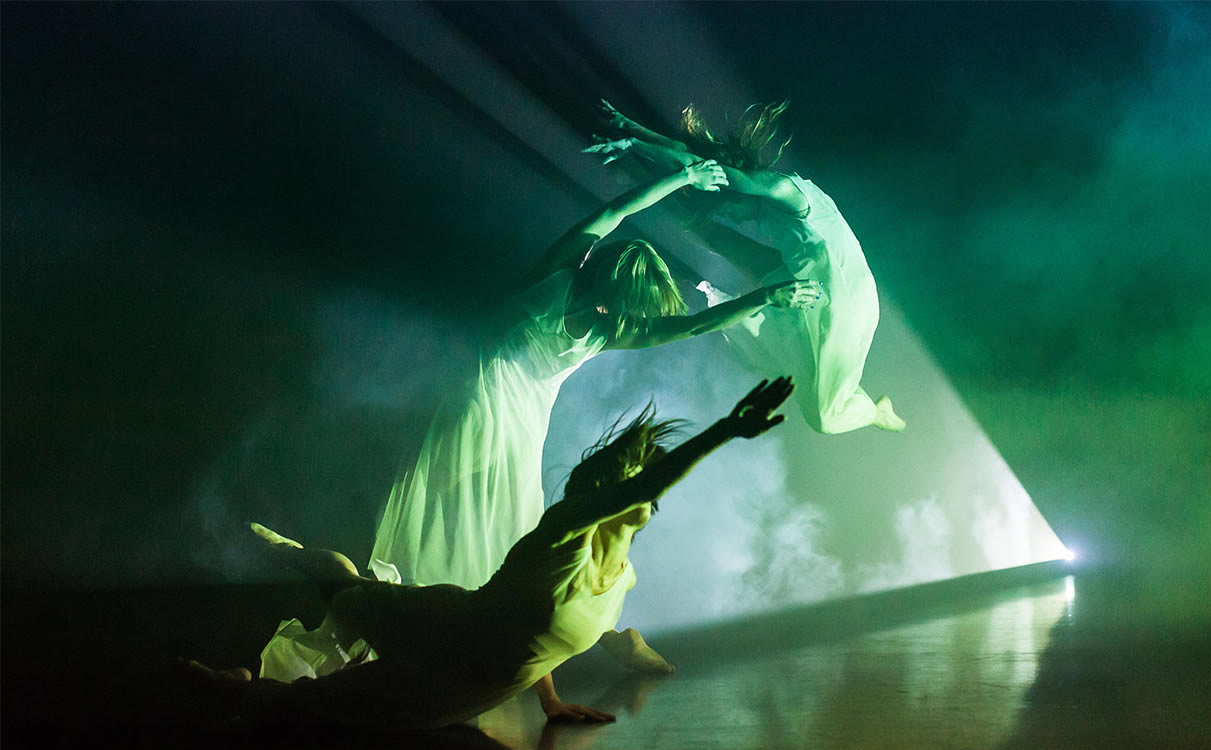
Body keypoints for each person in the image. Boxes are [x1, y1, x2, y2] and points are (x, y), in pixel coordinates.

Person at [260, 164, 820, 682]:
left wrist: (762, 291)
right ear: (612, 291)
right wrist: (683, 179)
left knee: (519, 539)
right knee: (487, 530)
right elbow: (617, 218)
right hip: (477, 409)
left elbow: (683, 317)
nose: (629, 322)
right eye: (628, 308)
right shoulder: (564, 279)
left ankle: (575, 641)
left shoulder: (605, 319)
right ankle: (554, 641)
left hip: (516, 419)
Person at [191, 378, 796, 731]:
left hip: (470, 688)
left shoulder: (620, 578)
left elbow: (534, 639)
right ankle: (290, 563)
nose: (641, 499)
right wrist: (725, 429)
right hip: (442, 633)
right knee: (340, 612)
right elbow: (639, 491)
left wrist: (552, 703)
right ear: (606, 499)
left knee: (332, 705)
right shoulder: (562, 531)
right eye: (627, 489)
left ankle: (251, 676)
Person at [585, 100, 906, 436]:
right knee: (706, 230)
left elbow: (699, 166)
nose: (730, 213)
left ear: (738, 186)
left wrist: (635, 143)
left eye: (727, 202)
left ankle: (875, 412)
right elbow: (692, 161)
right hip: (803, 274)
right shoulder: (756, 201)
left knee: (824, 417)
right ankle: (630, 170)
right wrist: (628, 127)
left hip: (843, 293)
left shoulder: (783, 189)